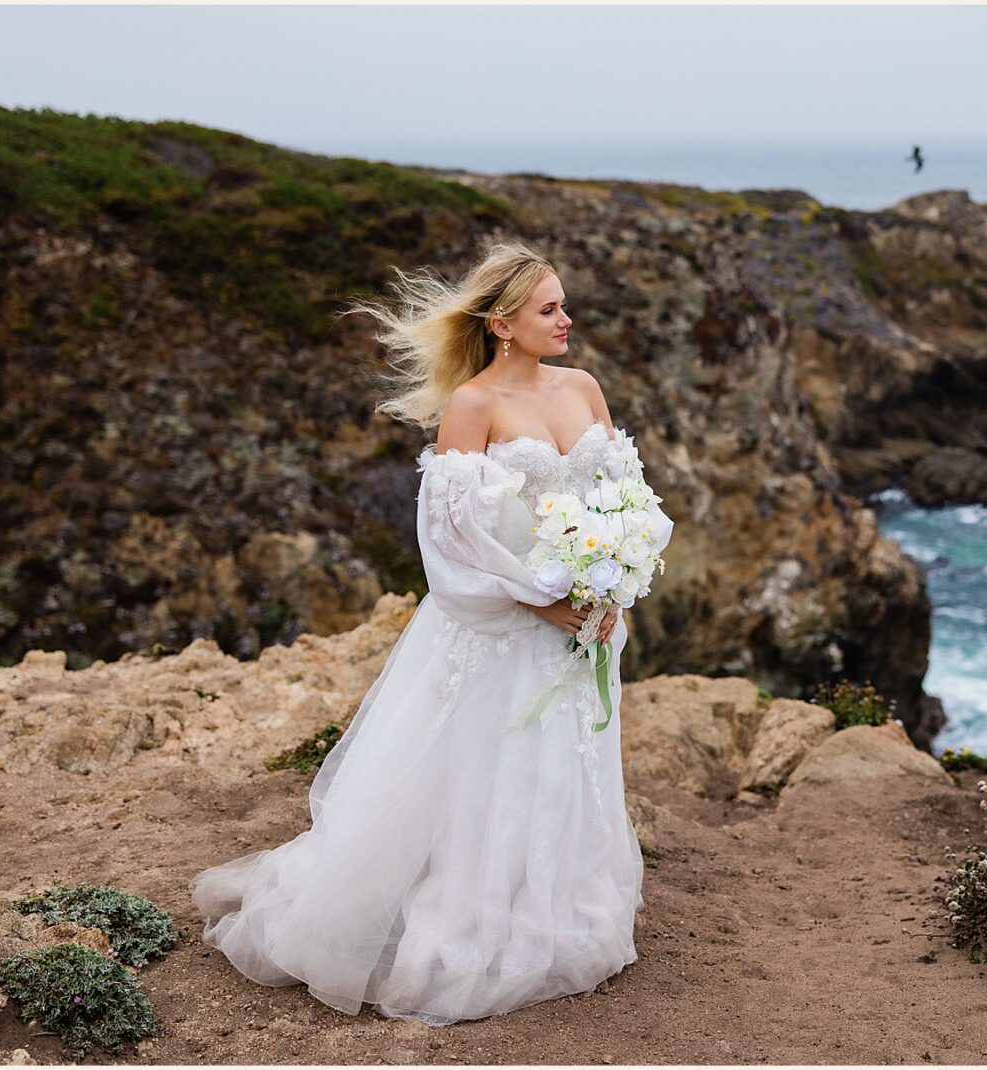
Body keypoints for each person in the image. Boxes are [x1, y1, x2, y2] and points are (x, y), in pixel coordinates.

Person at [187, 241, 675, 1026]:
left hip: (587, 621)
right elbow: (450, 539)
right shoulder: (473, 405)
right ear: (501, 324)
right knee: (495, 769)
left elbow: (623, 496)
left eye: (563, 305)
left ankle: (559, 912)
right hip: (507, 625)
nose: (567, 319)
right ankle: (471, 922)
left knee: (564, 767)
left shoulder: (584, 387)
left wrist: (616, 580)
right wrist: (535, 601)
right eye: (549, 308)